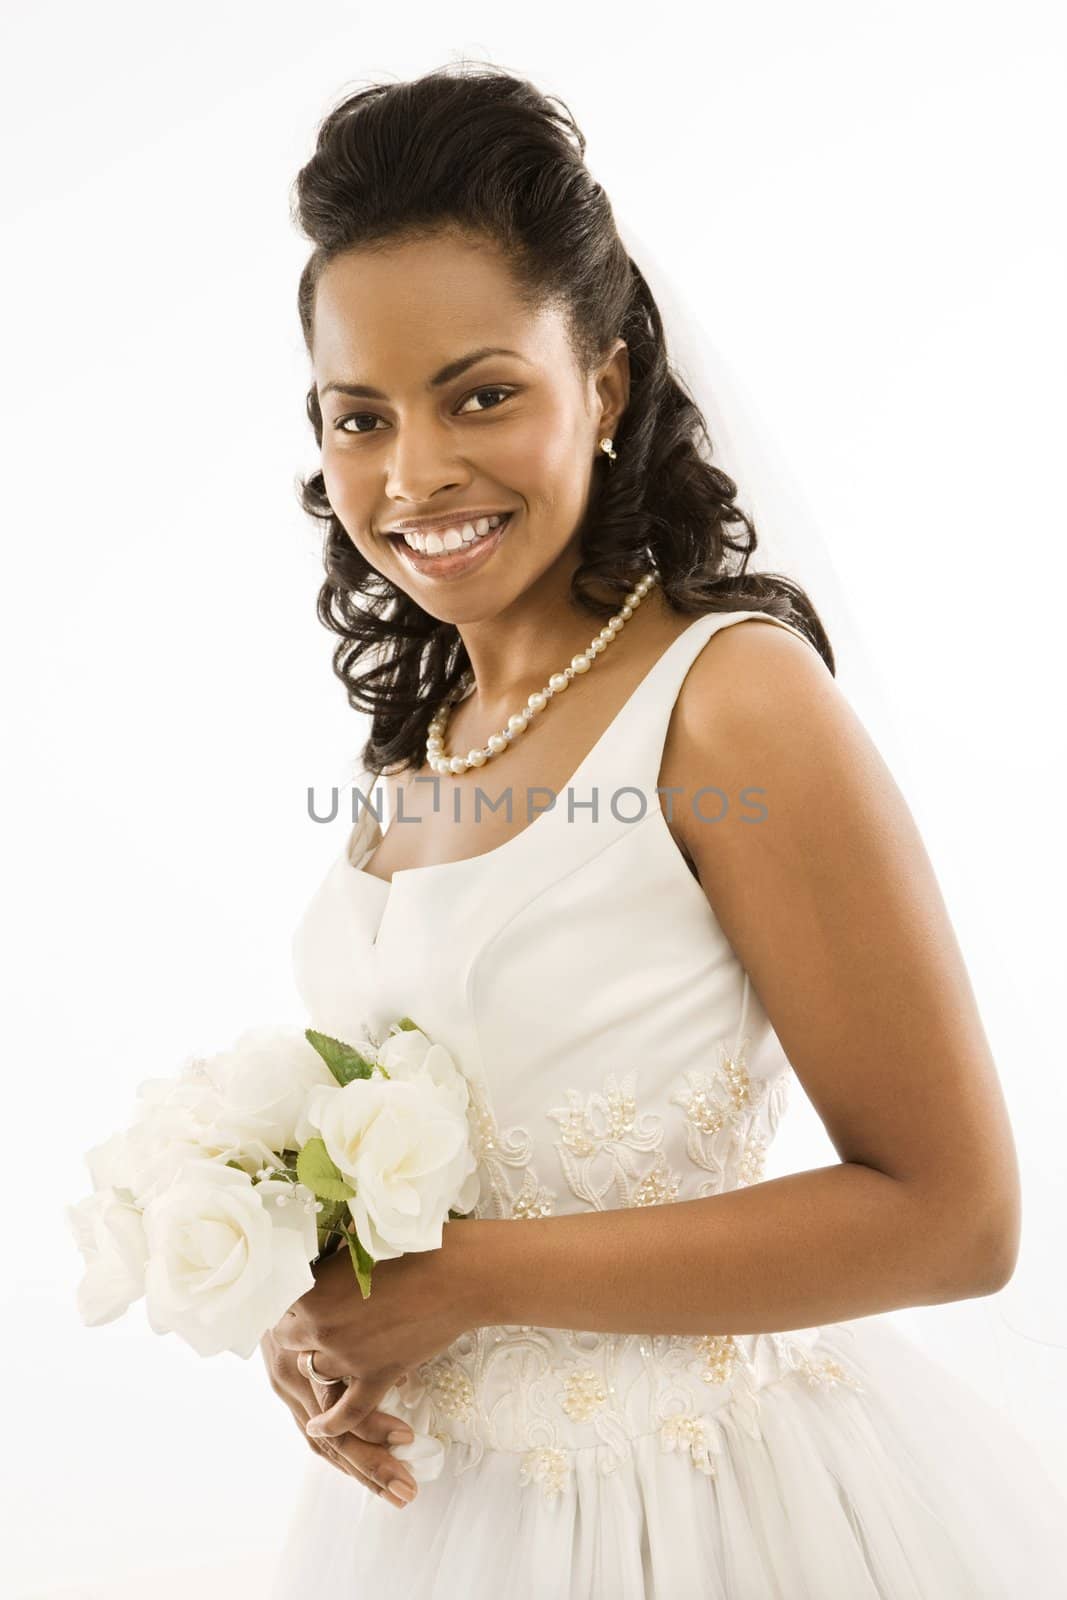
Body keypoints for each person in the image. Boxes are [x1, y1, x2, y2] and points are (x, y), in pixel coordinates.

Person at [263, 62, 1067, 1597]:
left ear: (609, 386)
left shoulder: (730, 703)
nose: (413, 473)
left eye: (480, 393)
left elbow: (957, 1218)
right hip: (442, 1523)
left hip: (691, 1517)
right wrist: (326, 1320)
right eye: (357, 416)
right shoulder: (423, 738)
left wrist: (466, 1284)